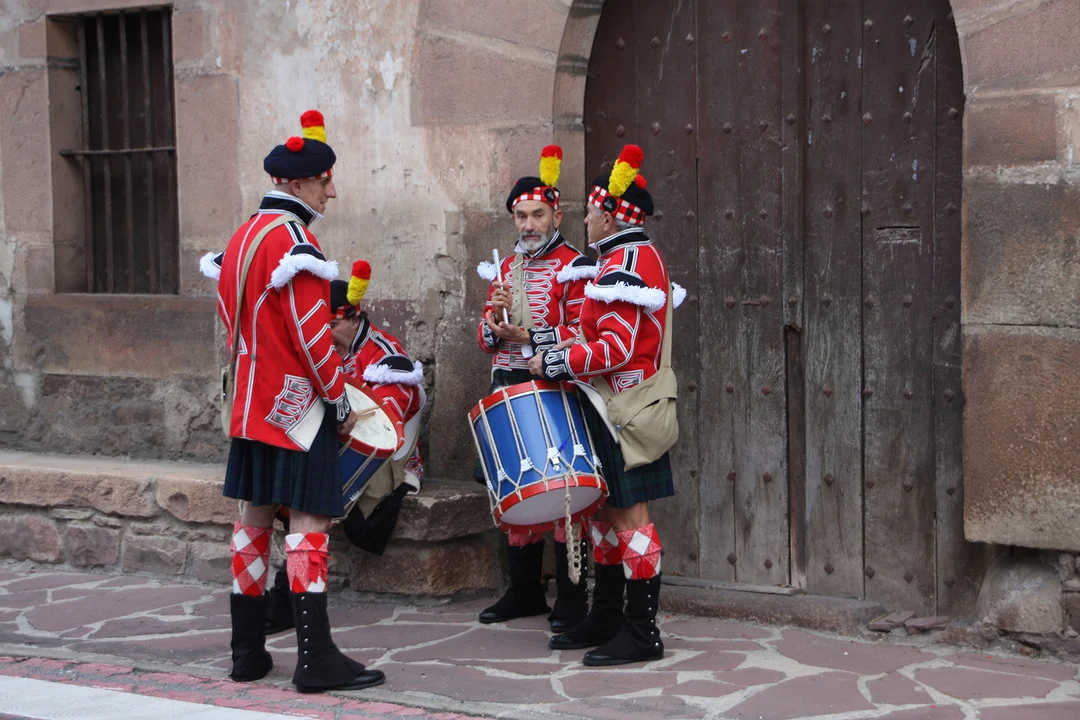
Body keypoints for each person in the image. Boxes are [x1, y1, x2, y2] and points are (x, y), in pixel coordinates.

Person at [201, 110, 384, 692]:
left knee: (253, 519)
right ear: (300, 183)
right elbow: (312, 336)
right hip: (297, 407)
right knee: (310, 523)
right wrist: (338, 400)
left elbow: (230, 320)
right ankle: (315, 658)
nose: (332, 191)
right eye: (325, 181)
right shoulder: (296, 242)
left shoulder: (243, 236)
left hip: (251, 403)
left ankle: (246, 652)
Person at [529, 144, 682, 666]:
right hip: (608, 406)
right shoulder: (621, 258)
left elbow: (615, 349)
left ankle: (641, 631)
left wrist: (556, 362)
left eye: (593, 210)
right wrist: (549, 343)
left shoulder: (625, 265)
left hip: (621, 409)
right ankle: (609, 615)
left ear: (611, 214)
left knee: (630, 517)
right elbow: (598, 334)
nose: (588, 219)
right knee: (605, 513)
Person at [259, 259, 427, 635]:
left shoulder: (385, 356)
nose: (326, 335)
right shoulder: (324, 349)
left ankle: (288, 599)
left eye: (332, 326)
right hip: (334, 451)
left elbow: (386, 425)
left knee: (308, 503)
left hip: (386, 463)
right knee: (283, 491)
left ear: (354, 318)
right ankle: (290, 596)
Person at [473, 145, 597, 631]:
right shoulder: (504, 268)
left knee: (565, 491)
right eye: (521, 216)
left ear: (556, 216)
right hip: (506, 385)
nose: (528, 225)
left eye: (537, 215)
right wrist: (494, 319)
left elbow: (582, 333)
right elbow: (485, 338)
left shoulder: (575, 265)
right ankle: (524, 590)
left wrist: (527, 336)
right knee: (515, 487)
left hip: (554, 389)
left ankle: (572, 594)